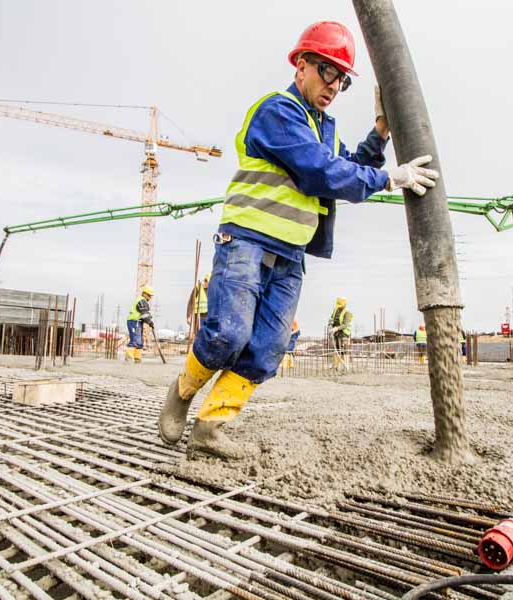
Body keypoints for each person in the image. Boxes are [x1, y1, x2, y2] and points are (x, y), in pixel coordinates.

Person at [156, 20, 440, 460]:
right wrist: (388, 179)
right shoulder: (278, 112)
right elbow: (319, 171)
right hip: (246, 240)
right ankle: (182, 391)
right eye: (327, 71)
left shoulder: (323, 128)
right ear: (300, 65)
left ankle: (210, 426)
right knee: (228, 333)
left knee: (270, 346)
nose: (334, 85)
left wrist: (381, 130)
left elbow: (343, 165)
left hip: (289, 254)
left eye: (341, 79)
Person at [125, 286, 154, 364]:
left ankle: (137, 358)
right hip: (134, 322)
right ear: (144, 293)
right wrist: (150, 322)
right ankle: (129, 358)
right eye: (149, 295)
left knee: (140, 341)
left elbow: (146, 314)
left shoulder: (143, 301)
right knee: (135, 340)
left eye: (150, 296)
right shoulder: (141, 301)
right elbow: (144, 314)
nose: (150, 297)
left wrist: (150, 320)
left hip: (138, 322)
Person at [329, 297, 353, 370]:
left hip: (344, 333)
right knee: (336, 349)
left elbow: (345, 324)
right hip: (336, 332)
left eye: (340, 306)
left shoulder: (347, 313)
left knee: (344, 350)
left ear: (344, 305)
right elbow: (331, 318)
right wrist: (330, 323)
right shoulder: (336, 310)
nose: (339, 307)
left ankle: (345, 366)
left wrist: (336, 328)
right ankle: (335, 366)